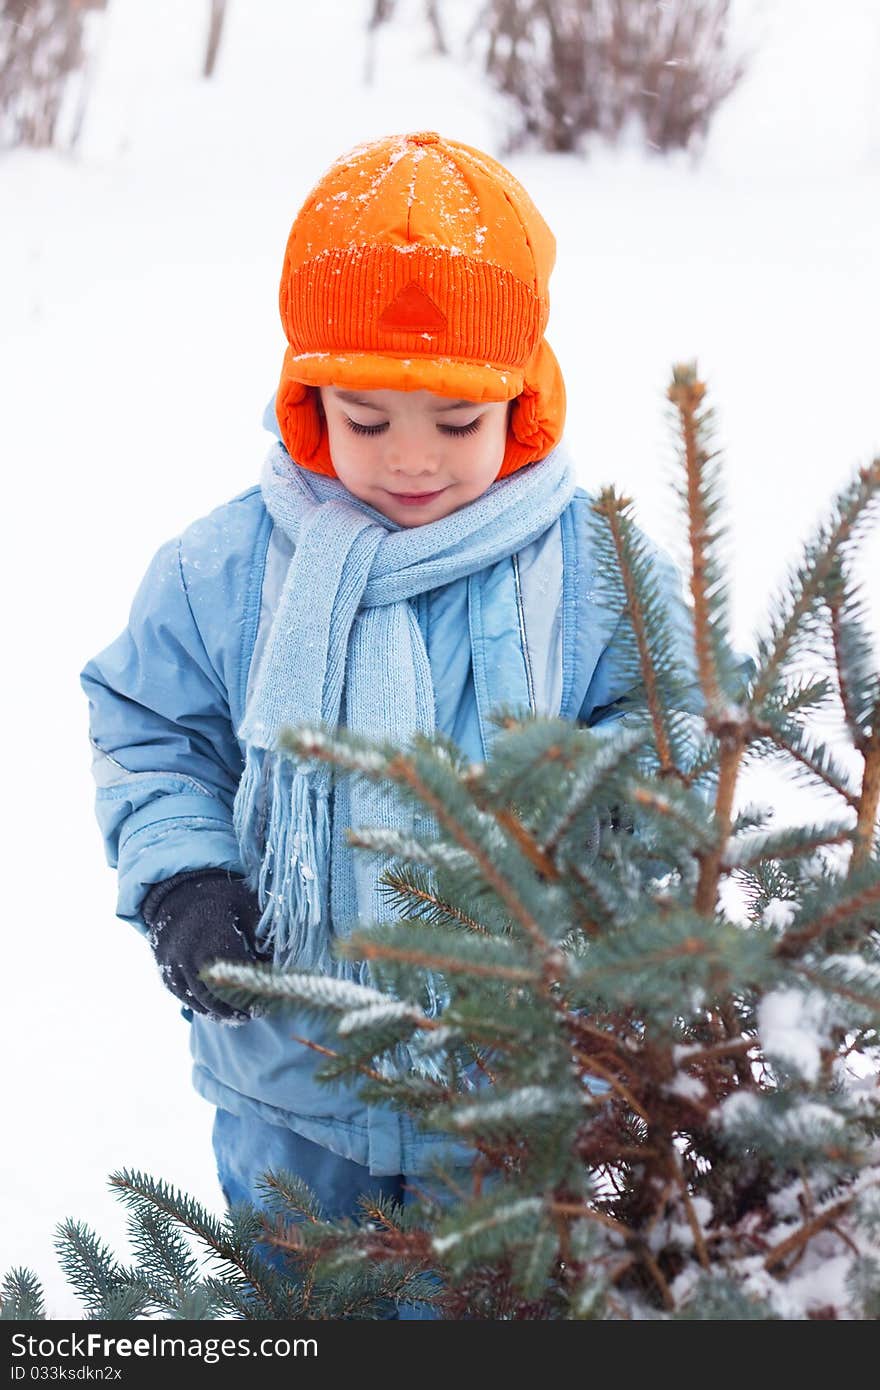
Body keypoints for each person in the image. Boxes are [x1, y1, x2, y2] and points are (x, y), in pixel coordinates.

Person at [79, 130, 701, 1315]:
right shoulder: (228, 568)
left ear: (522, 400)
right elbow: (148, 728)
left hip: (517, 1100)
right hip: (290, 1090)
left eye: (453, 425)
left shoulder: (591, 566)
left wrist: (611, 892)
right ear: (308, 400)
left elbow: (667, 740)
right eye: (367, 421)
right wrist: (186, 879)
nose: (410, 462)